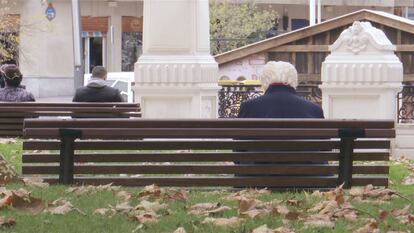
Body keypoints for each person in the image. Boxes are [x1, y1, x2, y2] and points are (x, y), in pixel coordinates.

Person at [238, 61, 323, 119]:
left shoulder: (248, 108)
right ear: (294, 79)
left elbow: (238, 141)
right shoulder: (314, 110)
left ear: (264, 80)